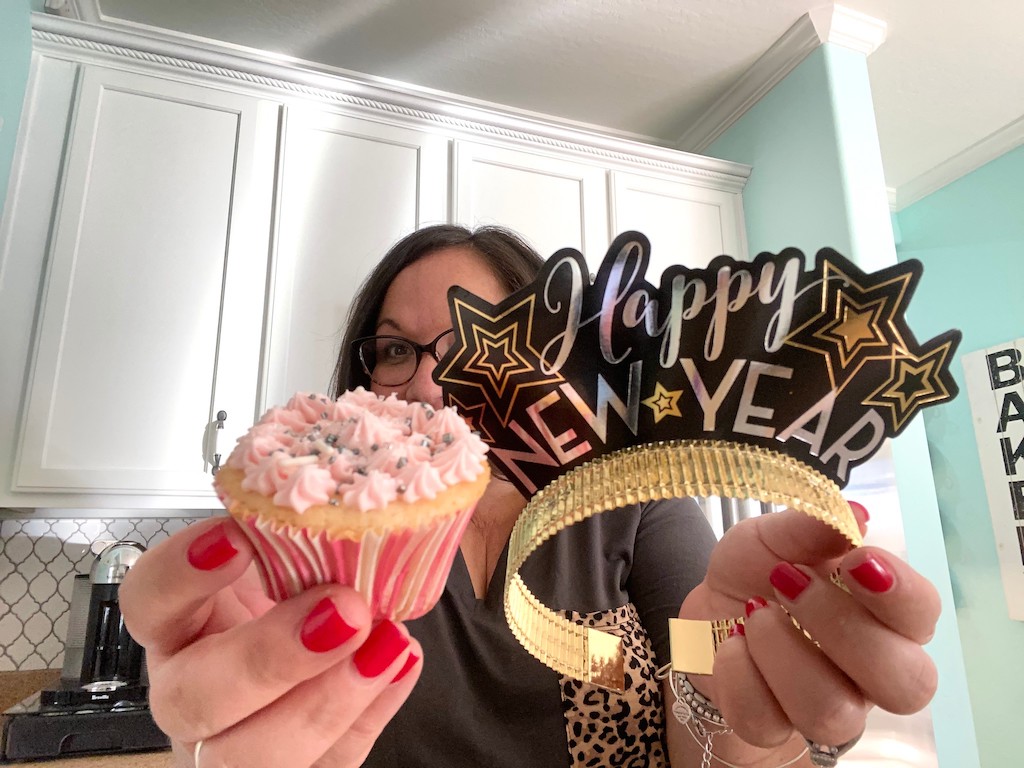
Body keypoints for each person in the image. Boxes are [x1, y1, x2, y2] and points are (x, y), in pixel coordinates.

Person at [121, 224, 940, 768]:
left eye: (478, 338)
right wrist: (214, 730)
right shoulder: (329, 554)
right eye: (396, 350)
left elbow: (689, 663)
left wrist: (732, 682)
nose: (434, 384)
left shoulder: (636, 509)